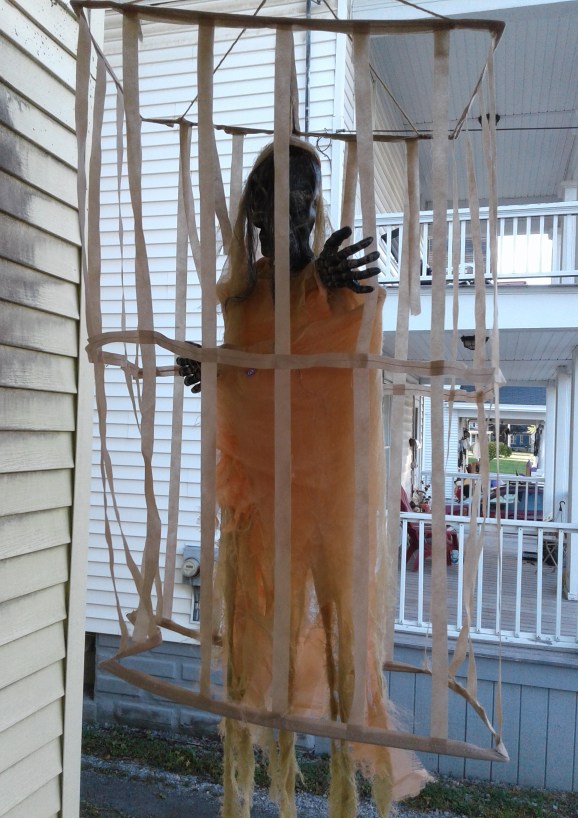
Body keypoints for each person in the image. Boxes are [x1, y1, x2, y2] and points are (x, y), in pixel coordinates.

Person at [178, 138, 428, 818]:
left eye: (308, 195)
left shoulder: (337, 284)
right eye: (284, 193)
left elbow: (340, 360)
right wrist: (215, 366)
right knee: (258, 641)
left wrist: (322, 287)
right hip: (262, 499)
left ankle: (352, 799)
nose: (299, 209)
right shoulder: (242, 298)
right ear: (256, 206)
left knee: (347, 647)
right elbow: (257, 369)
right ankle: (253, 793)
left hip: (331, 495)